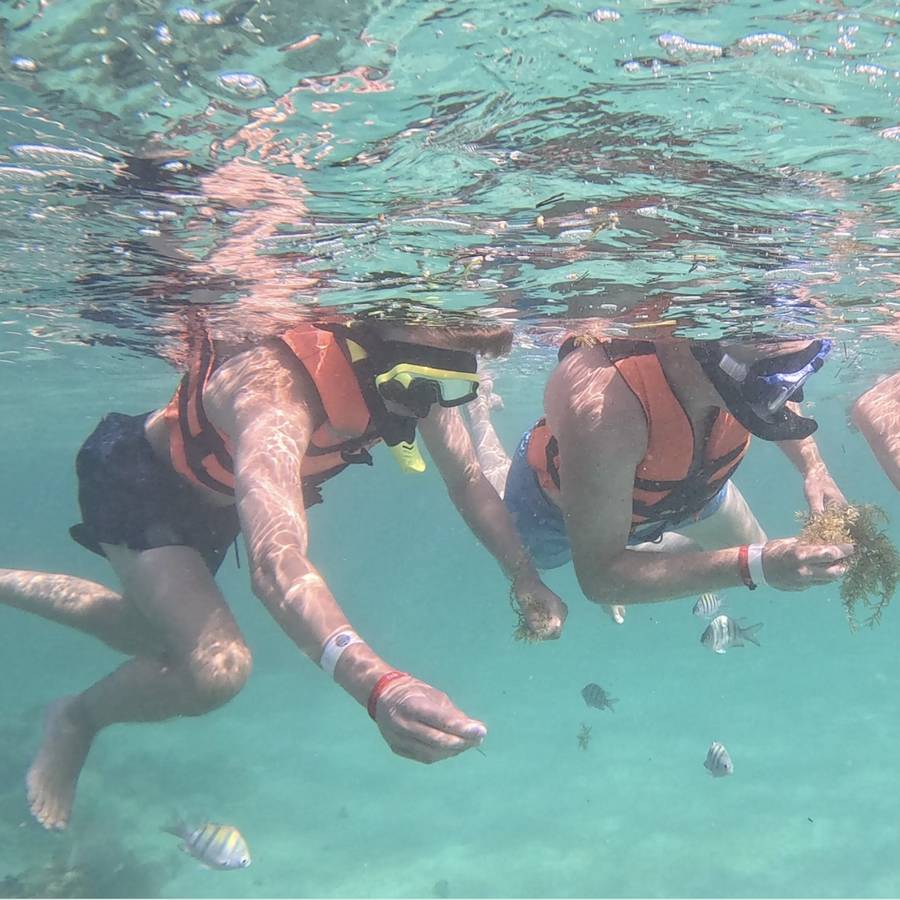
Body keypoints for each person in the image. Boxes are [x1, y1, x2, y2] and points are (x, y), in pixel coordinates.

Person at [0, 308, 567, 832]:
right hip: (142, 486)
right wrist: (378, 686)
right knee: (214, 670)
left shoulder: (410, 390)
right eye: (420, 387)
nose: (427, 407)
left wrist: (523, 575)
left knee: (153, 635)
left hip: (218, 503)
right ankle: (76, 718)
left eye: (453, 390)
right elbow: (276, 561)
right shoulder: (276, 394)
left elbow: (468, 482)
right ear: (371, 355)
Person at [467, 328, 853, 619]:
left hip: (690, 491)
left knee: (755, 544)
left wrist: (814, 469)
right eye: (773, 382)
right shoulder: (608, 410)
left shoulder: (745, 367)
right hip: (551, 511)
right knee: (534, 558)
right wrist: (754, 566)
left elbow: (772, 391)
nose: (786, 396)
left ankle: (630, 558)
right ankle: (478, 409)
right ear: (704, 346)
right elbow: (599, 581)